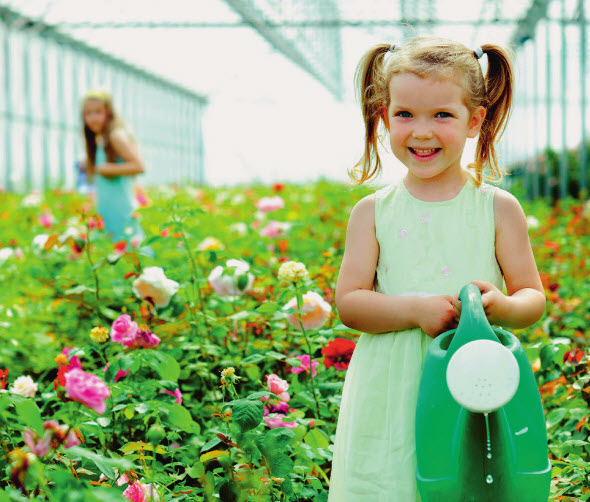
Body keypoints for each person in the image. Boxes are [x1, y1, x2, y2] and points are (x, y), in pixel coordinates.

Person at [329, 37, 546, 502]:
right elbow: (349, 303)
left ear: (475, 121)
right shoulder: (373, 212)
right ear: (385, 117)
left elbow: (532, 297)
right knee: (391, 481)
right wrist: (412, 310)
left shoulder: (497, 209)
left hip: (473, 380)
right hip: (391, 388)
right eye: (405, 114)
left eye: (442, 115)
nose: (421, 131)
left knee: (463, 481)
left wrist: (502, 306)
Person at [81, 89, 146, 244]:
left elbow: (139, 166)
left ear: (109, 113)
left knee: (129, 251)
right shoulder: (101, 140)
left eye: (98, 112)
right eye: (88, 113)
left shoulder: (115, 136)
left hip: (121, 211)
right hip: (108, 210)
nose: (93, 118)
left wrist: (109, 169)